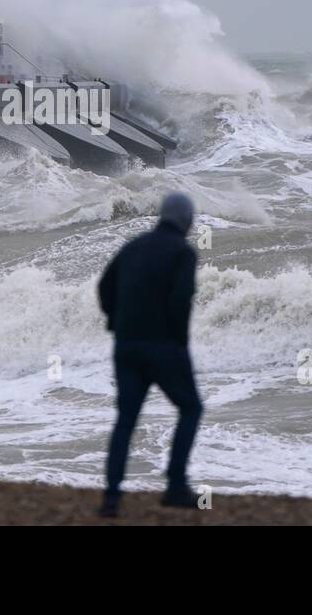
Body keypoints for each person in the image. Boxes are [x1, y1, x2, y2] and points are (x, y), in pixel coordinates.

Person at [97, 192, 203, 517]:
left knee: (126, 420)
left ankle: (112, 497)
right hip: (162, 346)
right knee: (191, 408)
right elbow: (181, 298)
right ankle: (175, 485)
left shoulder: (134, 246)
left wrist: (116, 321)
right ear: (186, 221)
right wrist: (180, 341)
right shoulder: (183, 252)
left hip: (126, 345)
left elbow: (104, 287)